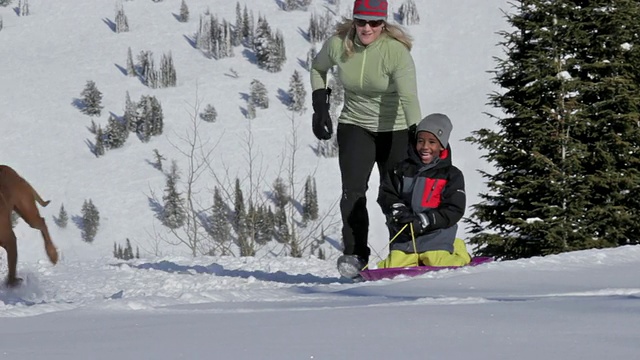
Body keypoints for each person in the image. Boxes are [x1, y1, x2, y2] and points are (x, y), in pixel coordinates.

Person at [310, 0, 422, 278]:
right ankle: (355, 255)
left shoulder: (395, 52)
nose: (367, 28)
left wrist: (415, 134)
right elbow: (317, 68)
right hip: (355, 125)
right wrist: (320, 105)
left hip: (394, 128)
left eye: (374, 23)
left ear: (383, 24)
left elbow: (408, 96)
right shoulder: (338, 44)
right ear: (354, 20)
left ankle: (404, 252)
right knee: (353, 194)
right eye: (361, 21)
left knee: (394, 194)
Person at [376, 113, 472, 269]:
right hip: (406, 238)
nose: (425, 147)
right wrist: (397, 209)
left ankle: (458, 250)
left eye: (432, 142)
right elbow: (387, 193)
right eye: (420, 141)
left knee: (438, 262)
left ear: (442, 145)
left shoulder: (451, 175)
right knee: (392, 266)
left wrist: (426, 220)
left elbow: (454, 209)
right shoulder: (400, 170)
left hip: (436, 236)